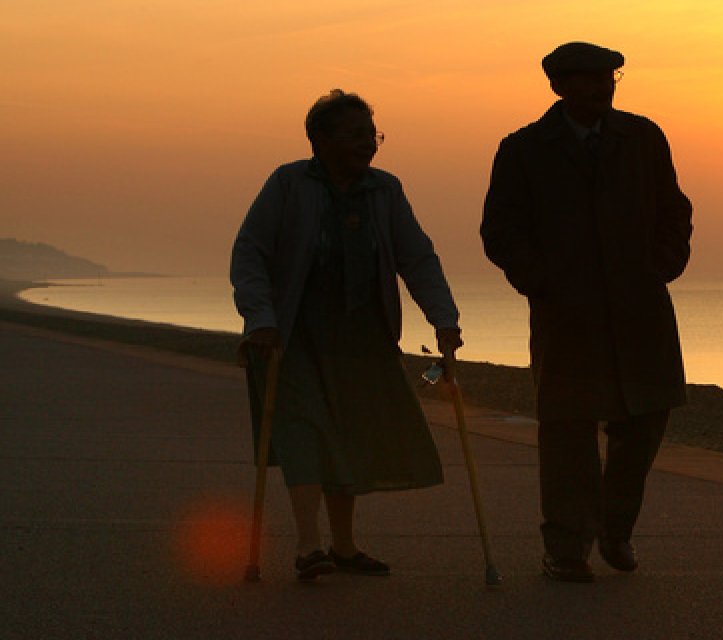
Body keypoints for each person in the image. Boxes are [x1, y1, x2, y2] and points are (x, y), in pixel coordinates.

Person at [481, 42, 694, 583]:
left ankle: (614, 528)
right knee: (567, 433)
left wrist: (662, 266)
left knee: (645, 420)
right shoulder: (524, 148)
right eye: (589, 79)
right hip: (567, 316)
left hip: (640, 310)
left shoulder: (644, 138)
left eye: (609, 77)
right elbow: (500, 230)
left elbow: (675, 209)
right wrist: (542, 282)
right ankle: (566, 548)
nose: (603, 87)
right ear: (559, 86)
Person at [231, 89, 462, 581]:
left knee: (349, 435)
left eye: (372, 135)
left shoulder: (385, 189)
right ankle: (308, 546)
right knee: (303, 432)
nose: (369, 144)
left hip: (362, 336)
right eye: (355, 135)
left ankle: (344, 546)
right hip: (291, 336)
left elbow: (416, 257)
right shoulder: (288, 183)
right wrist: (260, 319)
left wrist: (444, 320)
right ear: (320, 139)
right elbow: (250, 252)